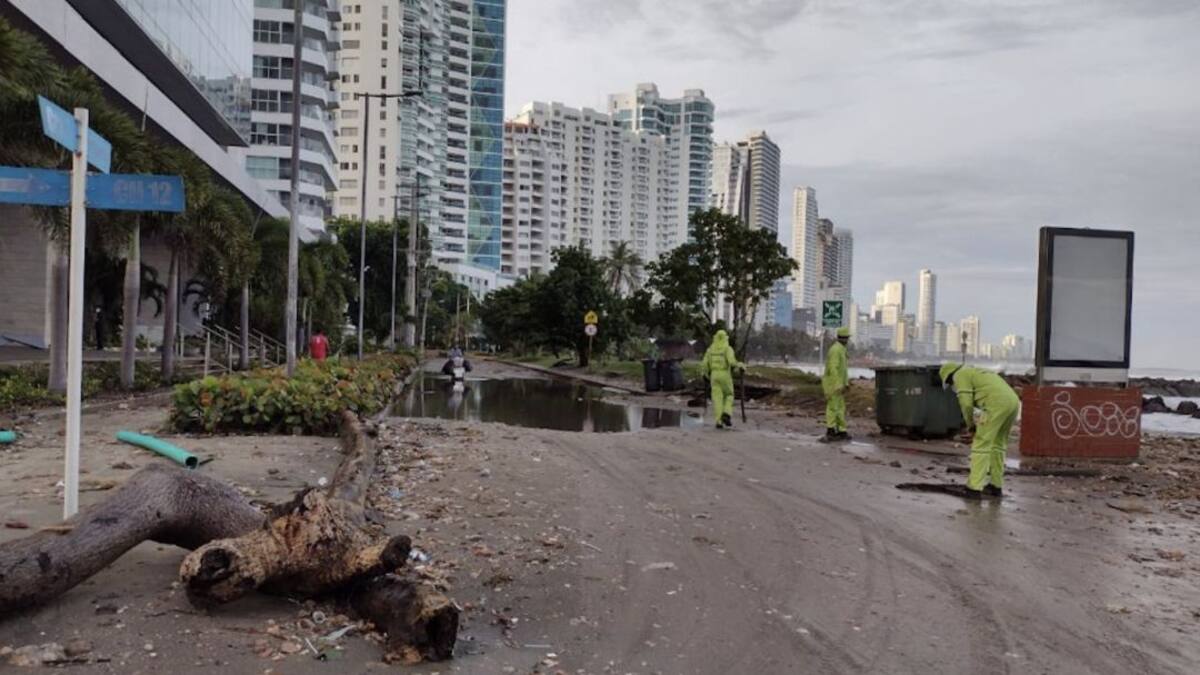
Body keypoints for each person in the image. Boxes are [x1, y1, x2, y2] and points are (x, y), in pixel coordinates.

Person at [939, 363, 1021, 498]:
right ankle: (996, 486)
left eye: (949, 382)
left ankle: (974, 488)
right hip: (1013, 402)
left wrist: (970, 425)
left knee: (981, 445)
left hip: (996, 404)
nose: (952, 386)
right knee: (998, 445)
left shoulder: (960, 375)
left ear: (950, 376)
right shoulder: (977, 371)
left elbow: (966, 404)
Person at [700, 329, 743, 430]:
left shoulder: (710, 350)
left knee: (717, 399)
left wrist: (705, 374)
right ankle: (727, 413)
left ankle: (719, 421)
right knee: (729, 395)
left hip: (714, 376)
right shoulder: (727, 349)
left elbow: (704, 364)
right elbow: (732, 362)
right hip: (725, 375)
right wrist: (740, 365)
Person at [820, 327, 851, 442]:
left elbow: (843, 370)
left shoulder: (841, 349)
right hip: (833, 385)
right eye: (847, 338)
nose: (847, 340)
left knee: (840, 408)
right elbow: (833, 368)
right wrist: (837, 384)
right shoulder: (836, 350)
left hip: (839, 385)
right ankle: (831, 430)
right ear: (844, 338)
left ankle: (841, 430)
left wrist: (845, 383)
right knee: (833, 408)